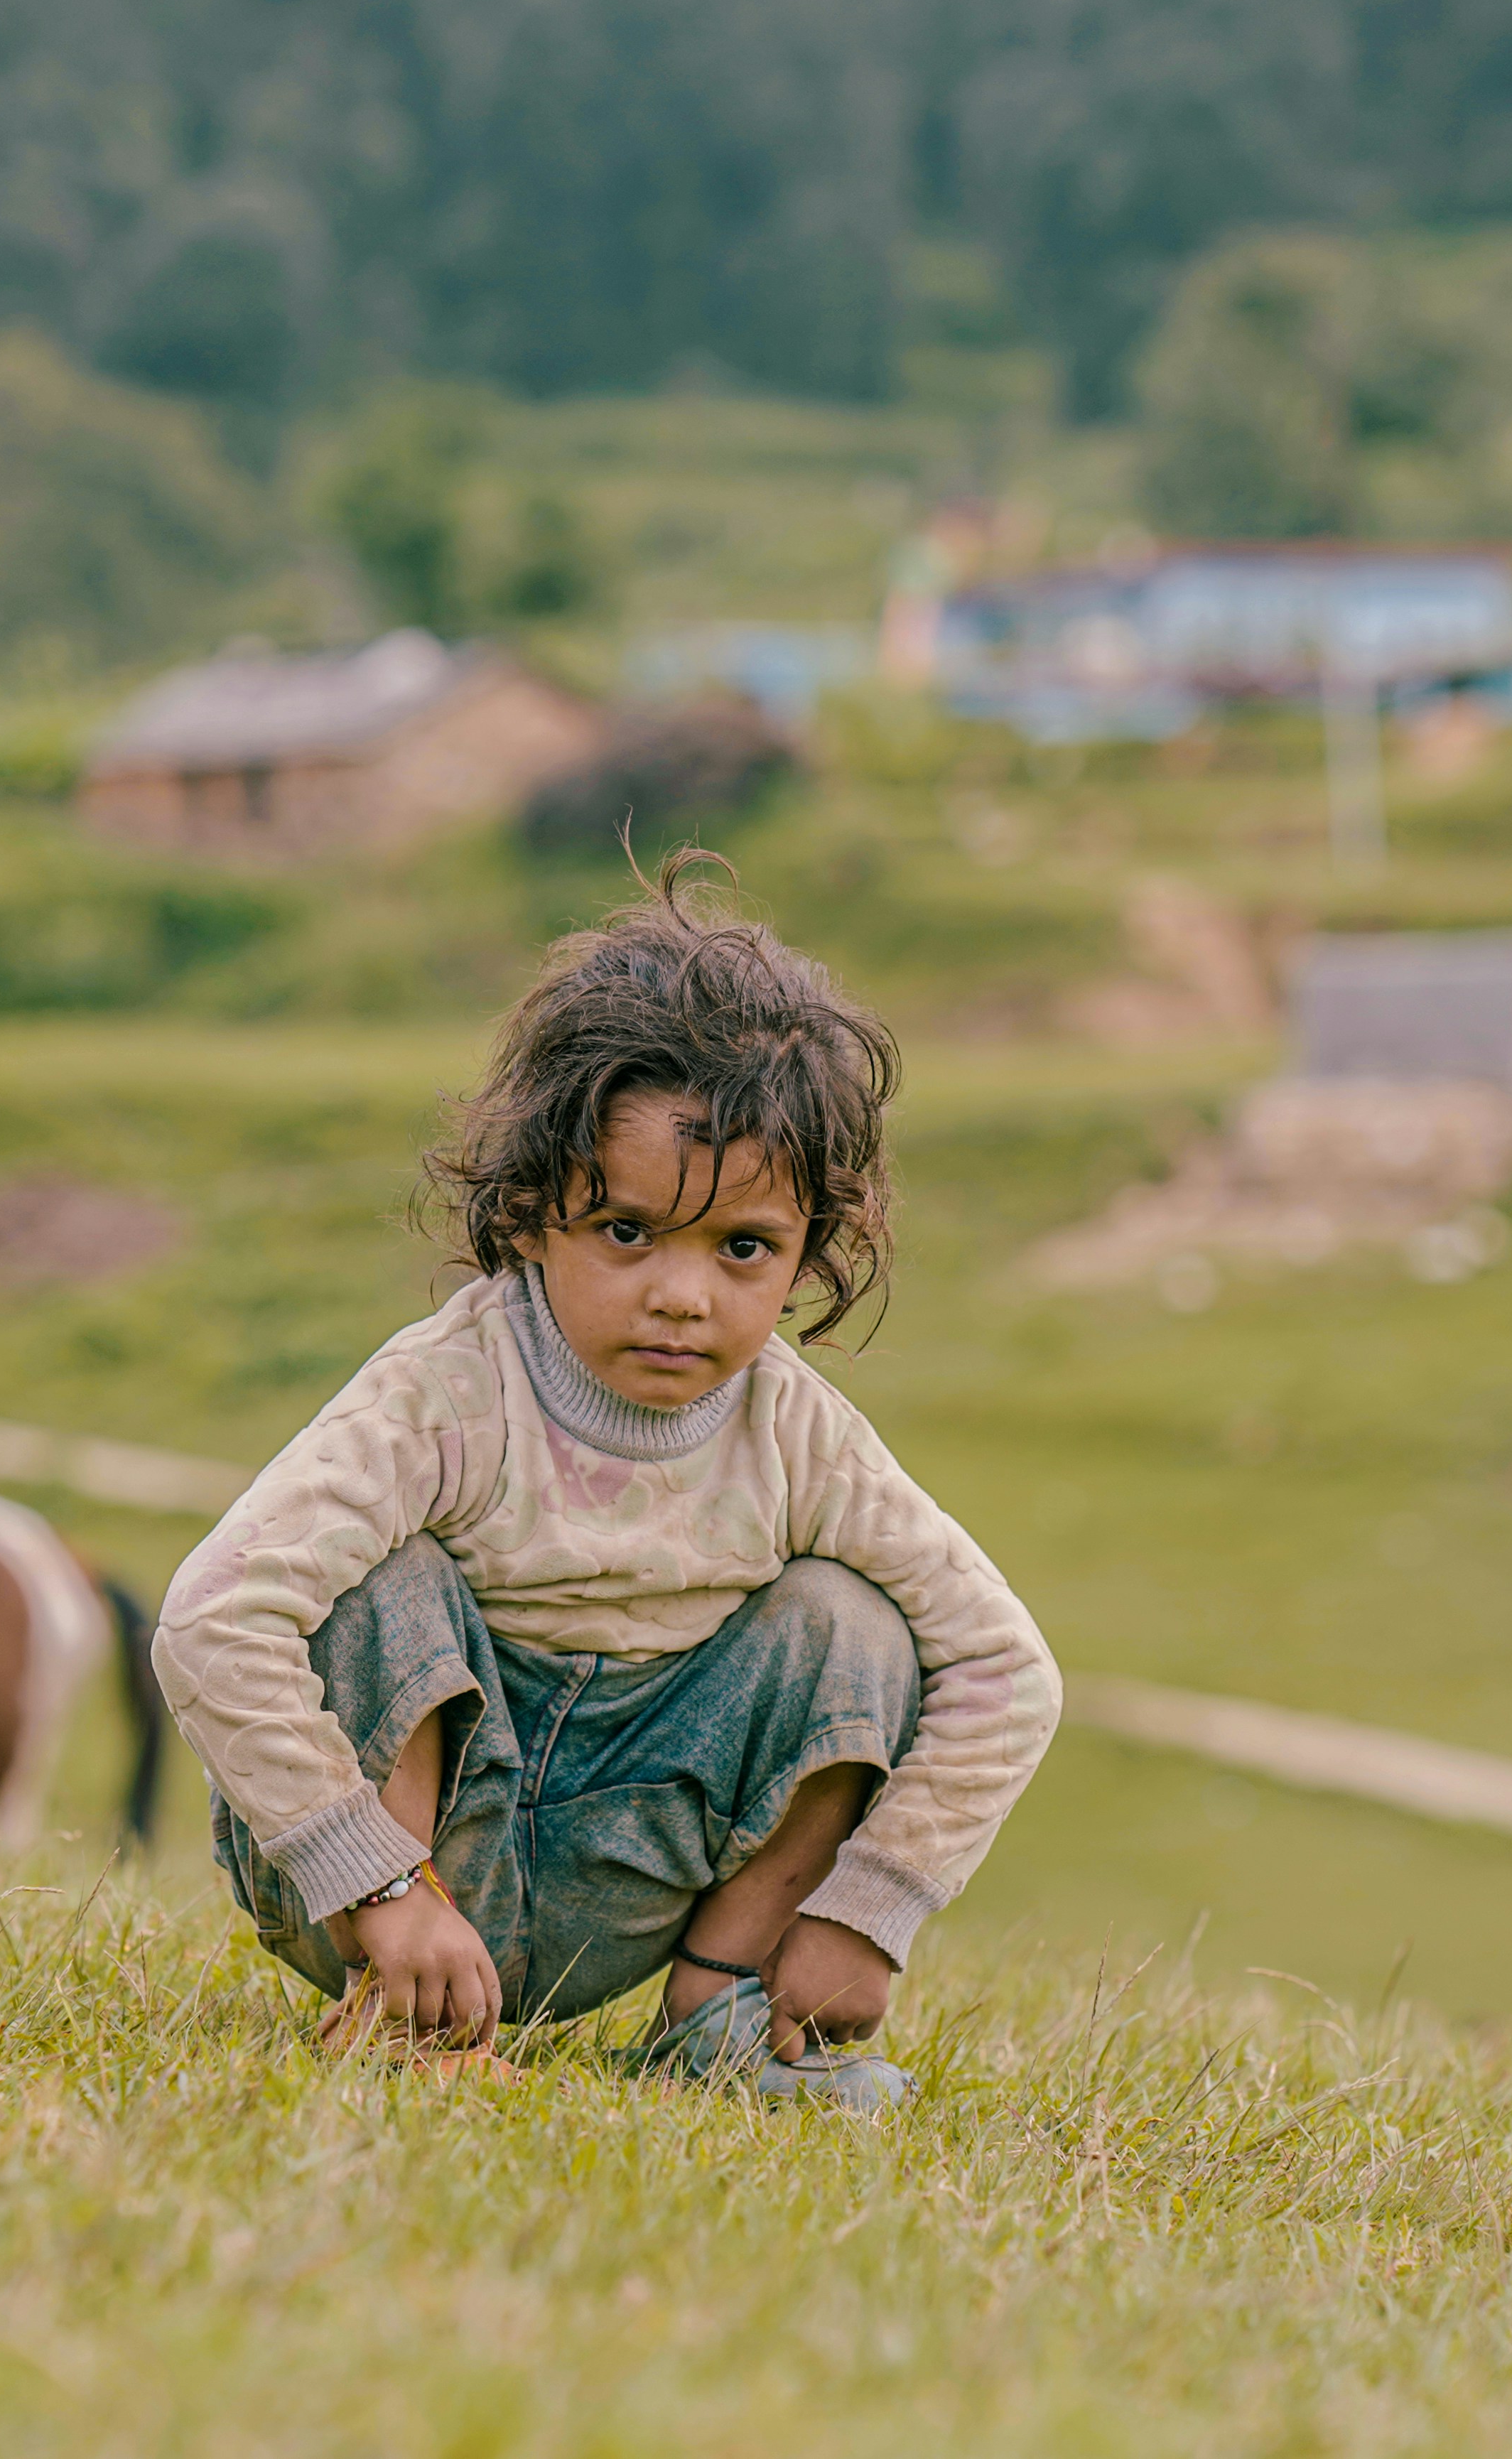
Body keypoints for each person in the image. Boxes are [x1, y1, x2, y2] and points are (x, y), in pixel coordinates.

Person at [150, 856, 1060, 2110]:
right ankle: (402, 2014)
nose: (682, 1294)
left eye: (743, 1247)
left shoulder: (799, 1438)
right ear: (530, 1215)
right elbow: (211, 1620)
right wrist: (375, 1883)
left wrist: (871, 1905)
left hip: (625, 1878)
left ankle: (717, 2014)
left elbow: (1005, 1672)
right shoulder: (443, 1397)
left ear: (805, 1255)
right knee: (383, 1581)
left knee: (850, 1626)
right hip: (390, 1883)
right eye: (626, 1232)